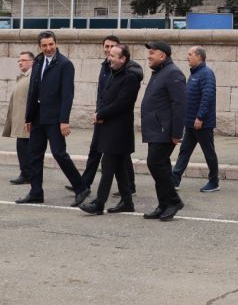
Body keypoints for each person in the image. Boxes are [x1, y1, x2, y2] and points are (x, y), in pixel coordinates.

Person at [16, 31, 90, 207]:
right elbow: (33, 91)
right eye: (44, 45)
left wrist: (64, 120)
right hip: (37, 118)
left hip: (55, 118)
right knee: (34, 155)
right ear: (39, 46)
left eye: (51, 44)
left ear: (56, 43)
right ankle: (36, 192)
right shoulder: (38, 61)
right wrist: (28, 117)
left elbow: (67, 95)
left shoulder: (65, 64)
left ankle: (81, 187)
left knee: (59, 154)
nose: (48, 48)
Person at [79, 43, 142, 215]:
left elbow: (122, 103)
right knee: (120, 167)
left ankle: (99, 203)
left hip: (119, 129)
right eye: (109, 55)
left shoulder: (130, 77)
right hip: (109, 126)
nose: (109, 58)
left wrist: (101, 114)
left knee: (107, 165)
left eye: (113, 56)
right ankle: (127, 202)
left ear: (123, 59)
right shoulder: (114, 72)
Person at [139, 41, 186, 221]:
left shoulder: (173, 73)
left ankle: (173, 201)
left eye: (152, 52)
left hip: (164, 130)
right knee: (162, 166)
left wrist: (177, 133)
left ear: (162, 55)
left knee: (155, 163)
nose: (149, 56)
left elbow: (179, 105)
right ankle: (163, 204)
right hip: (156, 129)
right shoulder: (160, 72)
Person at [172, 46, 220, 192]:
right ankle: (174, 179)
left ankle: (214, 182)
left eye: (190, 54)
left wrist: (200, 117)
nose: (187, 57)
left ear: (199, 56)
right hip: (191, 123)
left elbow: (207, 96)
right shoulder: (195, 74)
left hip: (202, 123)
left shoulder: (206, 74)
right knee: (184, 151)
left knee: (209, 153)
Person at [3, 51, 34, 185]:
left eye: (24, 60)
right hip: (21, 120)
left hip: (27, 121)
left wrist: (30, 118)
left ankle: (27, 174)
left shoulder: (32, 77)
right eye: (19, 60)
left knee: (24, 148)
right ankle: (27, 173)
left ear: (32, 62)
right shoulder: (24, 77)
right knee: (23, 147)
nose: (20, 63)